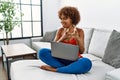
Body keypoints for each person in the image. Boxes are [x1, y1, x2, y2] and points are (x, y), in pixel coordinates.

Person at [38, 6, 92, 74]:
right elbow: (53, 47)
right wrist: (62, 38)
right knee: (42, 52)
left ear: (73, 19)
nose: (62, 21)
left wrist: (77, 38)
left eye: (65, 18)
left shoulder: (80, 31)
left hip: (74, 60)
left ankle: (56, 69)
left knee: (87, 62)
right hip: (59, 59)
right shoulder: (60, 30)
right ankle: (69, 68)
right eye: (61, 19)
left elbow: (81, 51)